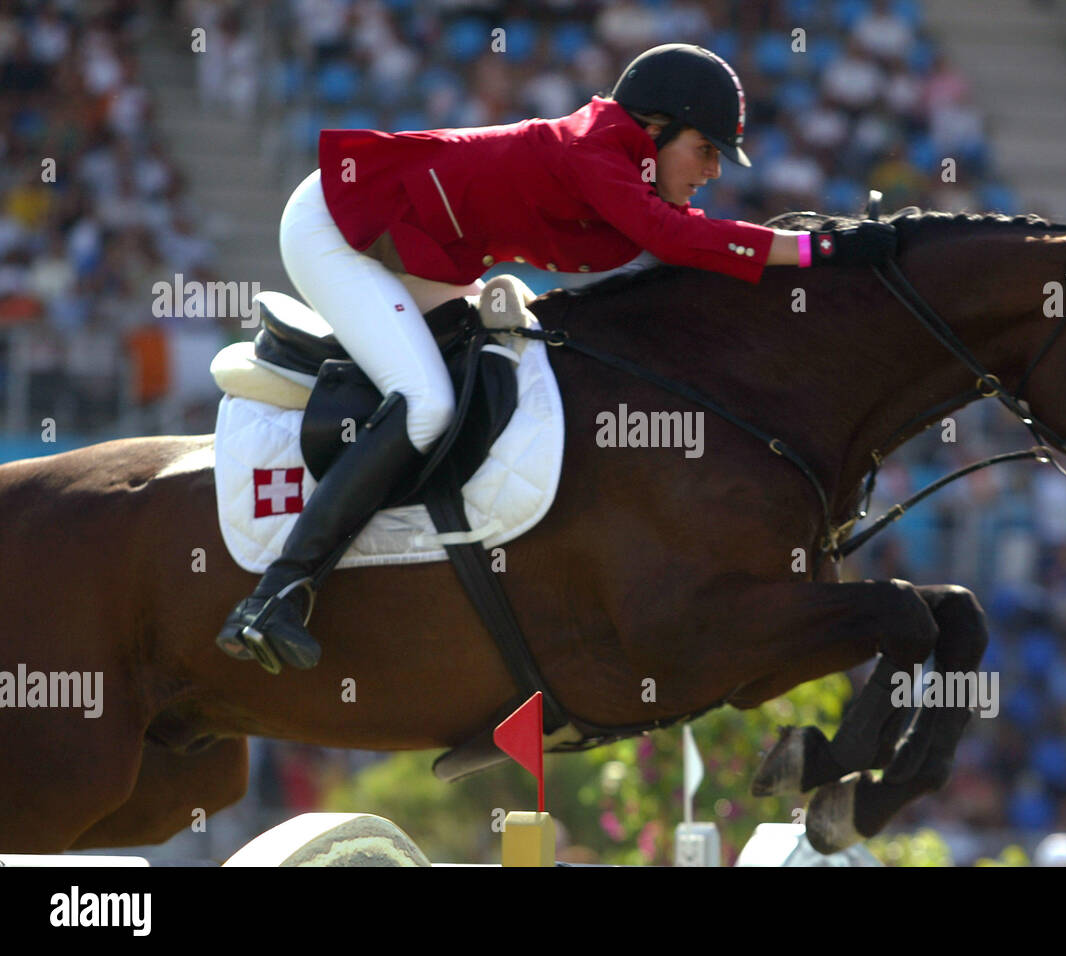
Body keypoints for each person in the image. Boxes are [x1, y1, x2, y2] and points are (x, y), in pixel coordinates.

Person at [217, 42, 897, 673]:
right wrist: (822, 250)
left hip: (412, 241)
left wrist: (823, 253)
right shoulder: (595, 150)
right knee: (427, 404)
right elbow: (681, 241)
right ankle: (276, 595)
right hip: (340, 226)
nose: (715, 170)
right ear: (655, 128)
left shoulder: (626, 164)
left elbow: (700, 240)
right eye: (705, 149)